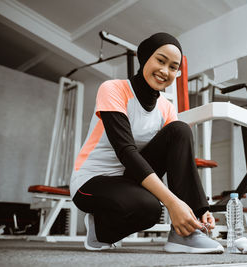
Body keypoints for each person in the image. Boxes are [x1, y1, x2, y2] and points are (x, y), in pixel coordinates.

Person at [70, 32, 224, 253]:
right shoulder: (113, 89)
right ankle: (100, 230)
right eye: (160, 61)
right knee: (149, 209)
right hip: (92, 180)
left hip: (130, 180)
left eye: (173, 67)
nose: (165, 71)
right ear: (145, 58)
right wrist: (172, 203)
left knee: (180, 131)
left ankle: (184, 234)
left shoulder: (166, 108)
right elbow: (126, 151)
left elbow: (179, 159)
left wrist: (199, 208)